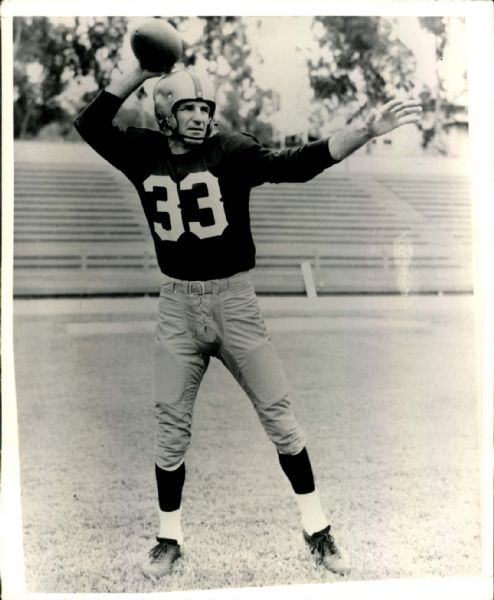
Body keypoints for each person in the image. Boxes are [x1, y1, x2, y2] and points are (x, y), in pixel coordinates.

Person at [74, 57, 422, 581]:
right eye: (186, 107)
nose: (198, 116)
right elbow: (90, 125)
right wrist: (139, 73)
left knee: (281, 418)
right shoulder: (141, 150)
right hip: (177, 305)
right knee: (170, 428)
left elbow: (298, 162)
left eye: (204, 107)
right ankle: (169, 539)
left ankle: (318, 528)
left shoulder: (231, 150)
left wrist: (366, 132)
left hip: (235, 302)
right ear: (165, 113)